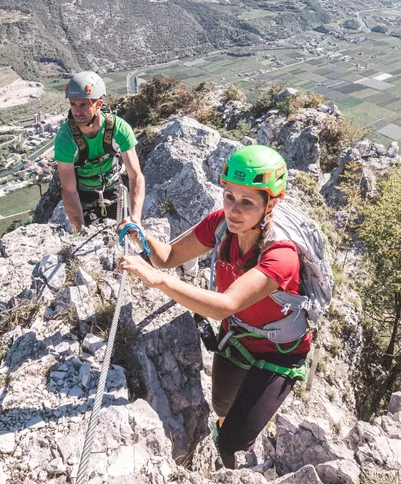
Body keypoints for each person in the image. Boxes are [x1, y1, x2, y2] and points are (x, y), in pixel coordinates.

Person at [118, 145, 314, 469]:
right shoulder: (221, 225)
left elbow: (226, 305)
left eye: (247, 202)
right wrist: (142, 237)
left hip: (280, 352)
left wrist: (160, 283)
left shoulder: (282, 256)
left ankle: (233, 463)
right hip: (237, 337)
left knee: (234, 442)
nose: (234, 210)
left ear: (271, 204)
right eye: (229, 196)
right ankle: (228, 434)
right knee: (221, 404)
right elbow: (167, 257)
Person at [54, 71, 144, 231]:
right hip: (83, 194)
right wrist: (80, 228)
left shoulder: (119, 129)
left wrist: (135, 217)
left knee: (127, 234)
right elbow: (69, 189)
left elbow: (135, 176)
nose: (76, 111)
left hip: (113, 186)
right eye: (73, 104)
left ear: (99, 104)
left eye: (83, 105)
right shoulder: (65, 138)